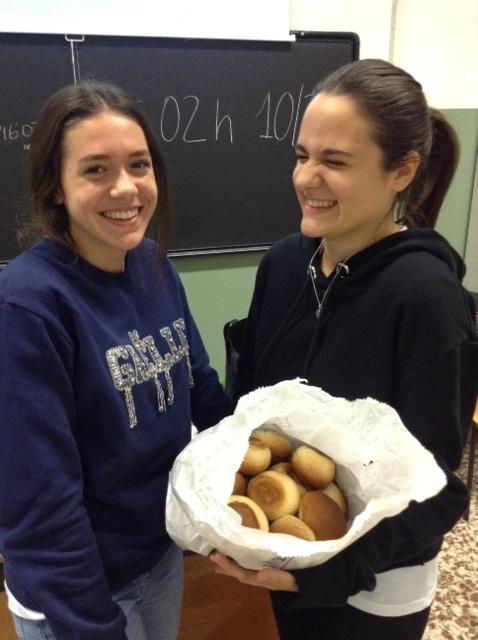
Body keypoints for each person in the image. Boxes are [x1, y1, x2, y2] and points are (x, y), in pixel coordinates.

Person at [209, 59, 478, 640]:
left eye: (335, 161)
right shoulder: (283, 265)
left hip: (374, 588)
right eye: (303, 156)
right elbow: (251, 413)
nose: (308, 177)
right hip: (281, 553)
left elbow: (438, 492)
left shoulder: (426, 299)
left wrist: (326, 578)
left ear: (402, 170)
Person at [0, 81, 232, 640]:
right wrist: (93, 625)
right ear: (56, 188)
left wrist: (260, 456)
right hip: (79, 592)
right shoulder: (26, 308)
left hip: (159, 556)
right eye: (95, 170)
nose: (126, 187)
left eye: (139, 165)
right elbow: (39, 508)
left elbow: (199, 386)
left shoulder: (151, 262)